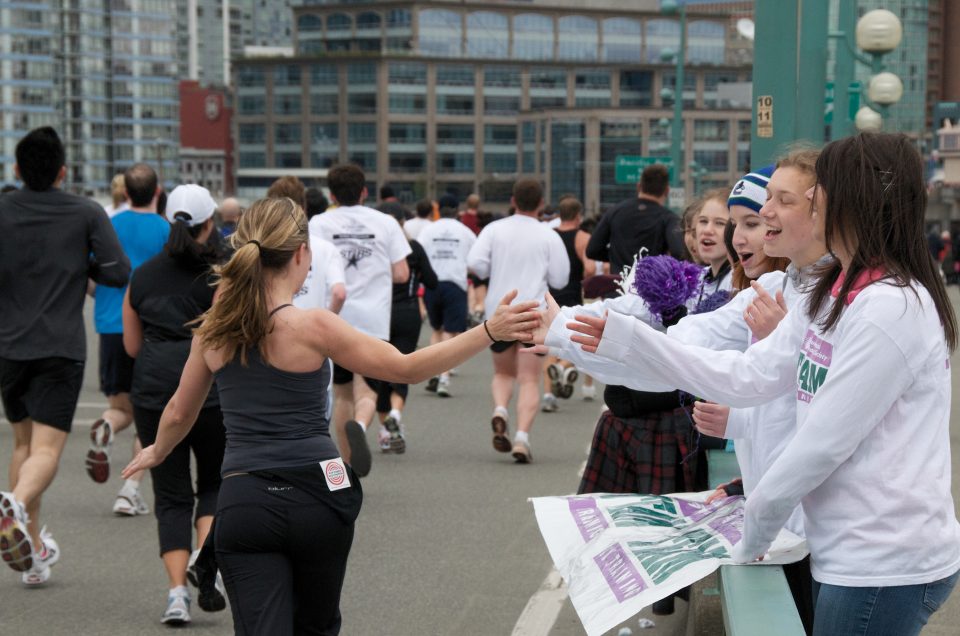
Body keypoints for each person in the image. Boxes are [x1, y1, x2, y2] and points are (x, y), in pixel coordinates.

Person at [568, 133, 960, 636]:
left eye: (814, 195)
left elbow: (822, 443)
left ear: (855, 201)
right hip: (847, 549)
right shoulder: (836, 288)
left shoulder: (890, 307)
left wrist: (752, 536)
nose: (798, 207)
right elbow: (749, 376)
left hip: (883, 560)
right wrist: (630, 340)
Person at [120, 196, 539, 634]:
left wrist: (157, 451)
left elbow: (177, 412)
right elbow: (406, 368)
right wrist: (489, 330)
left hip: (246, 500)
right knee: (317, 627)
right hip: (317, 494)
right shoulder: (314, 327)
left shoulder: (214, 331)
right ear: (302, 254)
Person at [545, 151, 826, 631]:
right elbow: (692, 351)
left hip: (827, 531)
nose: (738, 233)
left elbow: (801, 403)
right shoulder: (777, 285)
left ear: (823, 211)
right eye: (723, 222)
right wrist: (563, 331)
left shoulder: (851, 294)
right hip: (786, 519)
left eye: (761, 215)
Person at [0, 127, 130, 586]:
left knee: (21, 445)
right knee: (47, 450)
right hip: (59, 348)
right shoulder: (85, 211)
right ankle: (14, 504)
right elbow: (118, 271)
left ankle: (31, 554)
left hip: (9, 347)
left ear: (16, 169)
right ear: (63, 171)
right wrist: (81, 264)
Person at [122, 184, 228, 624]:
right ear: (210, 224)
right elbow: (224, 343)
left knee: (169, 495)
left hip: (151, 391)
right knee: (215, 484)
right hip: (209, 394)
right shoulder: (221, 277)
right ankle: (207, 564)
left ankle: (175, 596)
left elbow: (131, 345)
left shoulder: (142, 276)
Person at [309, 164, 411, 477]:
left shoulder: (318, 223)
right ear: (365, 191)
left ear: (331, 194)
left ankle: (347, 466)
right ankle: (362, 425)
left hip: (333, 318)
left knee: (341, 394)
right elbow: (402, 273)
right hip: (373, 318)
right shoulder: (386, 222)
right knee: (366, 391)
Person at [467, 178, 569, 463]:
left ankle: (500, 410)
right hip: (533, 313)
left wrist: (493, 271)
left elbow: (475, 263)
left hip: (499, 310)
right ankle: (522, 438)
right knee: (528, 379)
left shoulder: (493, 229)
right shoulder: (549, 235)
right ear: (540, 203)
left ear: (513, 201)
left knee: (502, 373)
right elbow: (561, 278)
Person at [88, 163, 170, 517]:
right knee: (152, 415)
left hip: (110, 325)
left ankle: (107, 426)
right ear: (156, 192)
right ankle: (130, 488)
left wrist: (104, 300)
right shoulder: (168, 230)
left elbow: (90, 274)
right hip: (153, 328)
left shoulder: (108, 226)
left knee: (121, 407)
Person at [374, 235, 437, 452]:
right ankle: (395, 415)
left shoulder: (376, 245)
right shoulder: (414, 247)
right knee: (403, 366)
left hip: (379, 312)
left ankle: (386, 430)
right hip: (408, 312)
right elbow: (432, 280)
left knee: (379, 370)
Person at [418, 200, 478, 397]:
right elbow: (475, 258)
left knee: (436, 329)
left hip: (432, 283)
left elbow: (418, 253)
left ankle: (431, 370)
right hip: (455, 283)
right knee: (450, 332)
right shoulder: (464, 231)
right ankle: (443, 376)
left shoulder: (428, 230)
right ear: (455, 214)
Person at [542, 195, 593, 412]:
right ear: (578, 215)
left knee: (551, 346)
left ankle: (547, 395)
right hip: (572, 294)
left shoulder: (548, 236)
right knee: (576, 341)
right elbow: (590, 268)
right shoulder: (582, 237)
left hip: (549, 295)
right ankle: (564, 367)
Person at [586, 163, 685, 273]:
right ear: (667, 190)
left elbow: (592, 250)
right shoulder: (668, 218)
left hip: (618, 283)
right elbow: (678, 252)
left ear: (639, 186)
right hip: (650, 285)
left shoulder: (614, 212)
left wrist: (616, 257)